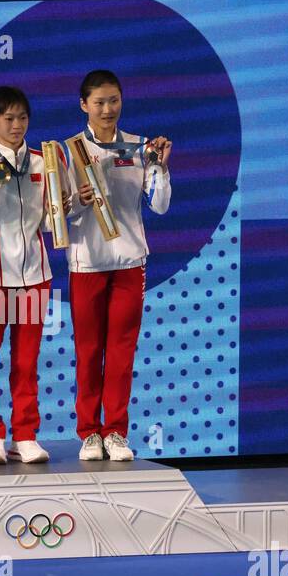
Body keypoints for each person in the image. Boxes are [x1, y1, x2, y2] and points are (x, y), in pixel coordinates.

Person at [63, 69, 172, 461]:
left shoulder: (141, 147)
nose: (108, 109)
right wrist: (79, 199)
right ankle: (89, 432)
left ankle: (116, 432)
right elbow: (56, 215)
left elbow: (159, 206)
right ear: (83, 105)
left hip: (129, 262)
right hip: (87, 262)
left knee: (122, 351)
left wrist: (160, 167)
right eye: (99, 102)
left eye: (114, 101)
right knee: (89, 351)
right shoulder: (67, 151)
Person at [0, 86, 70, 465]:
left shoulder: (46, 162)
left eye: (22, 118)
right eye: (8, 118)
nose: (16, 125)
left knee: (26, 362)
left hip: (34, 276)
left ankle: (24, 435)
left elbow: (48, 223)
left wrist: (64, 207)